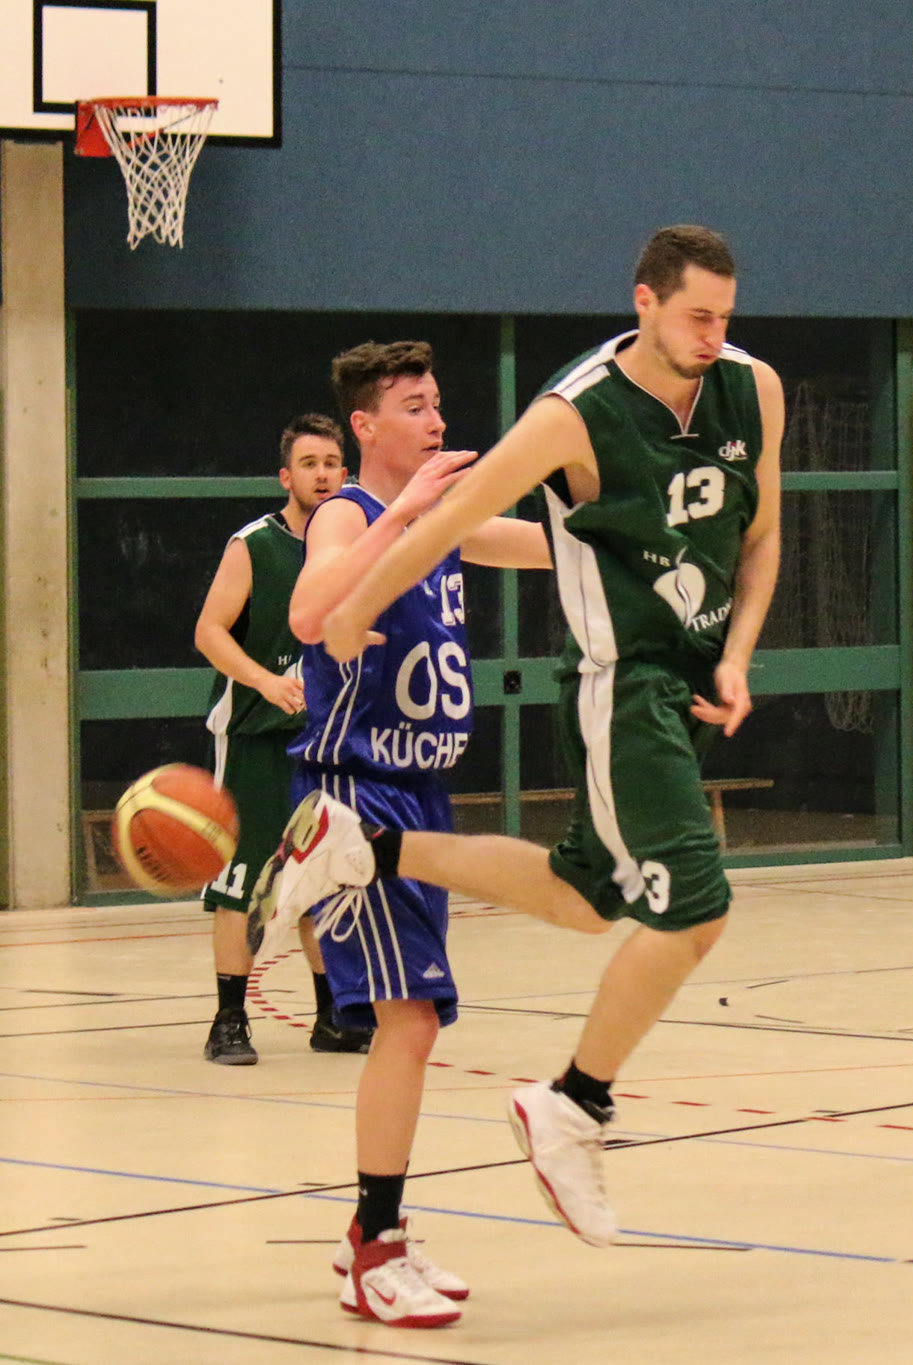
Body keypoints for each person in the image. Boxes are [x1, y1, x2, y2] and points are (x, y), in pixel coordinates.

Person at [248, 225, 783, 1258]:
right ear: (644, 302)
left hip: (619, 707)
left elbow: (745, 533)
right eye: (694, 316)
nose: (713, 335)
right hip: (590, 698)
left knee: (583, 901)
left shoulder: (750, 389)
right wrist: (353, 604)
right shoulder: (552, 421)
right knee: (693, 909)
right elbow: (423, 541)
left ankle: (365, 850)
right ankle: (564, 1109)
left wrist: (732, 646)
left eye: (725, 317)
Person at [261, 341, 552, 1327]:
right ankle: (373, 1244)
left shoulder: (437, 521)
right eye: (415, 406)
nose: (436, 421)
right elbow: (310, 611)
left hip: (420, 794)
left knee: (413, 1023)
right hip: (358, 799)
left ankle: (376, 1232)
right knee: (409, 1023)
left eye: (437, 405)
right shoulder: (348, 514)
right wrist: (411, 509)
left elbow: (543, 544)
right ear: (366, 426)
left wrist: (636, 534)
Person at [193, 415, 369, 1062]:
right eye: (309, 463)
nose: (322, 474)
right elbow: (209, 631)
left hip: (326, 742)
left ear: (346, 474)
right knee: (241, 881)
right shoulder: (254, 545)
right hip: (255, 736)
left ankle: (334, 1017)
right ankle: (229, 1020)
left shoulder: (358, 548)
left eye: (331, 463)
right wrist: (266, 681)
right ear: (285, 477)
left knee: (324, 878)